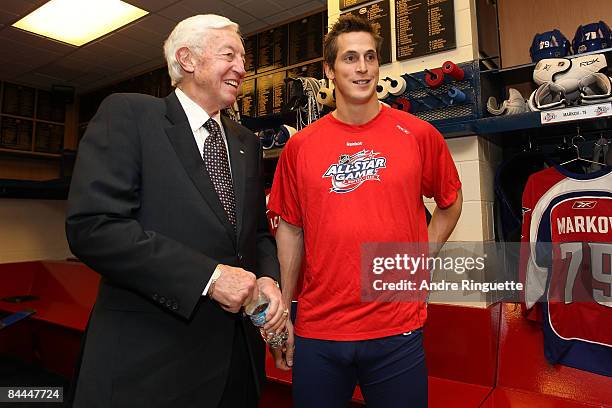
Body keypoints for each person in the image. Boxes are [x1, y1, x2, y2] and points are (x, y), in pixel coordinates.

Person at [66, 14, 286, 408]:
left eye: (243, 57)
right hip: (152, 367)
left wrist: (269, 278)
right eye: (229, 55)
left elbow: (255, 235)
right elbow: (95, 227)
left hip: (237, 366)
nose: (242, 67)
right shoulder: (130, 116)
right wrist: (209, 277)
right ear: (187, 59)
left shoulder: (245, 143)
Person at [268, 14, 463, 408]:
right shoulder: (300, 148)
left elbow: (450, 202)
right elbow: (289, 228)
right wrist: (285, 312)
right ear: (329, 70)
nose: (362, 68)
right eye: (350, 58)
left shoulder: (418, 134)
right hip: (320, 331)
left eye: (370, 57)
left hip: (396, 331)